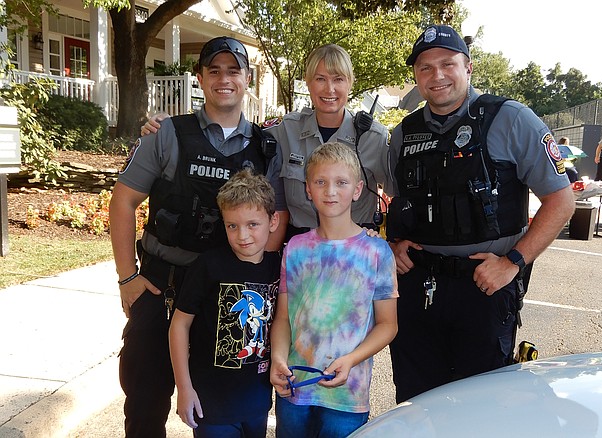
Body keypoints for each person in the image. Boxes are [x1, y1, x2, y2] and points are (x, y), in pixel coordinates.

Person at [385, 24, 575, 403]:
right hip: (419, 290)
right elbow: (398, 202)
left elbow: (561, 200)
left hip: (486, 287)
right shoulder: (403, 135)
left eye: (447, 64)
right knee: (416, 402)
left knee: (483, 407)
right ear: (416, 77)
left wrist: (514, 262)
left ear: (468, 67)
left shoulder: (511, 119)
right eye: (425, 67)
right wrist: (393, 245)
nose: (436, 75)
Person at [109, 36, 286, 437]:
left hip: (228, 297)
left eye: (234, 70)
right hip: (161, 287)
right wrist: (126, 277)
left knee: (217, 408)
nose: (224, 79)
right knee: (145, 400)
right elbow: (122, 202)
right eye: (214, 70)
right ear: (201, 78)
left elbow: (276, 217)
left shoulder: (266, 147)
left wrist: (258, 285)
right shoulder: (166, 134)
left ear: (248, 79)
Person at [142, 44, 393, 240]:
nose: (329, 89)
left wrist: (387, 239)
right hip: (299, 250)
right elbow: (234, 131)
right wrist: (170, 124)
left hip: (357, 248)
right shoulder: (286, 131)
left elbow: (398, 193)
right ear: (307, 82)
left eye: (338, 79)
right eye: (320, 79)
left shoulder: (374, 138)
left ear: (350, 83)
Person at [269, 142, 398, 437]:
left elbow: (388, 325)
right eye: (320, 182)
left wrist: (351, 359)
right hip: (294, 390)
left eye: (341, 182)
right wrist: (278, 358)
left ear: (357, 189)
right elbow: (283, 319)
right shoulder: (295, 248)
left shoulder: (377, 251)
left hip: (347, 398)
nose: (330, 191)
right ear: (307, 189)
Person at [169, 169, 281, 437]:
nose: (242, 235)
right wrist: (184, 388)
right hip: (212, 405)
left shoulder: (280, 267)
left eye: (253, 224)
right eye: (233, 225)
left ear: (273, 221)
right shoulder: (208, 266)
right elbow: (179, 326)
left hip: (257, 403)